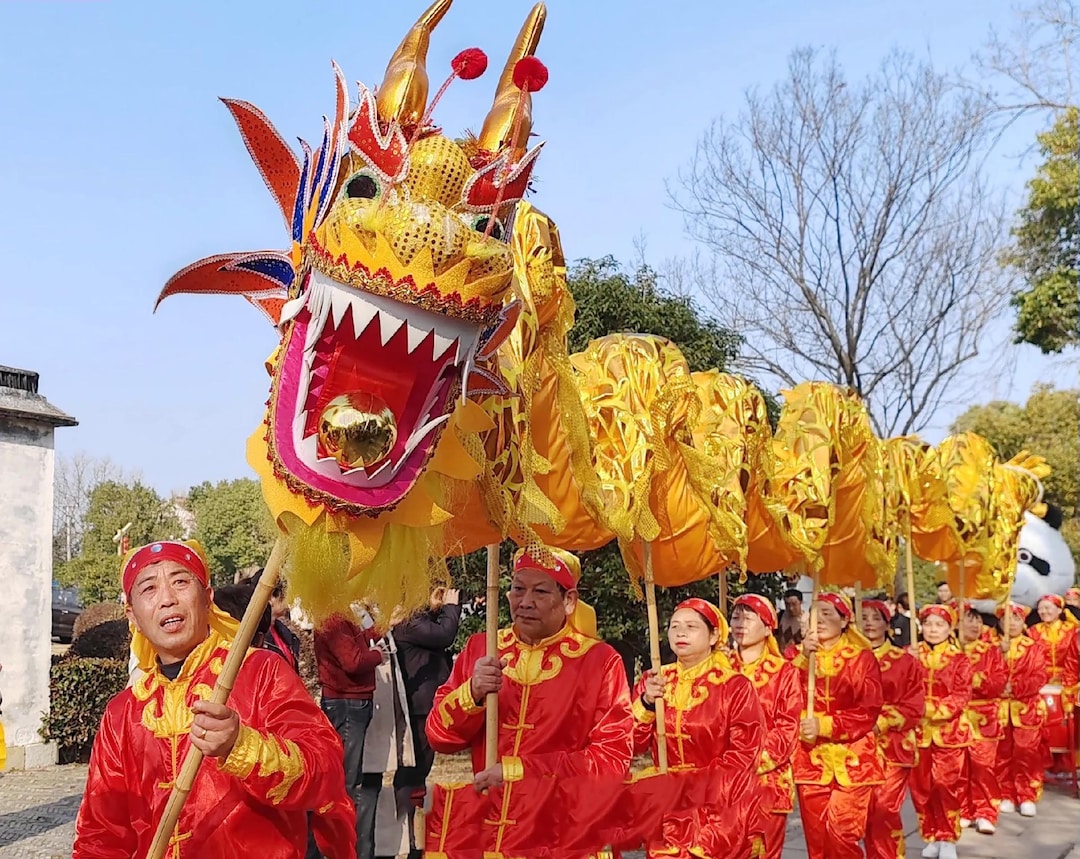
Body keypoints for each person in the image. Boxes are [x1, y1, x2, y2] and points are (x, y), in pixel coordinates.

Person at [73, 540, 355, 858]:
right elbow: (100, 833)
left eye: (180, 581)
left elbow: (324, 771)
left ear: (207, 597)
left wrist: (242, 745)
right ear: (132, 615)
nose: (167, 599)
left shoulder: (261, 672)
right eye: (149, 588)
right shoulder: (123, 713)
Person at [424, 547, 632, 856]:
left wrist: (519, 771)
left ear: (569, 600)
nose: (525, 602)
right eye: (518, 589)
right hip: (490, 829)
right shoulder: (484, 648)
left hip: (563, 830)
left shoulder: (599, 661)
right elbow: (439, 736)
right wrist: (472, 693)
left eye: (540, 592)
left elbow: (611, 760)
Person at [791, 592, 884, 859]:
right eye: (814, 613)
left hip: (854, 759)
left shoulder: (862, 659)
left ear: (844, 621)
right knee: (817, 838)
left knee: (843, 833)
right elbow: (782, 697)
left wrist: (824, 725)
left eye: (827, 613)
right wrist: (802, 659)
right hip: (810, 761)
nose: (819, 620)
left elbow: (869, 709)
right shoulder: (795, 656)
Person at [391, 586, 462, 859]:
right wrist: (451, 607)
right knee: (413, 770)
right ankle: (406, 833)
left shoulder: (414, 619)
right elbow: (444, 635)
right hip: (418, 706)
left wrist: (435, 608)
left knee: (419, 770)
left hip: (422, 704)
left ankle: (413, 832)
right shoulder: (407, 622)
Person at [730, 594, 801, 859]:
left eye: (749, 618)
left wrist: (748, 761)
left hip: (766, 782)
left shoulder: (784, 672)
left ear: (768, 627)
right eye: (736, 617)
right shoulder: (718, 668)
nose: (740, 623)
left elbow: (787, 727)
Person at [315, 607, 389, 859]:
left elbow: (358, 641)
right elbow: (352, 661)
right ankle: (340, 848)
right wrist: (378, 655)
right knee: (346, 781)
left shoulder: (341, 617)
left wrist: (380, 629)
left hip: (352, 702)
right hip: (347, 703)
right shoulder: (334, 619)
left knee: (350, 778)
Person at [860, 598, 924, 859]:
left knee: (884, 810)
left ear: (888, 624)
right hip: (853, 749)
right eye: (864, 618)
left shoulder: (904, 661)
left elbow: (915, 707)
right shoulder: (847, 659)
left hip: (893, 748)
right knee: (859, 813)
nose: (869, 623)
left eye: (876, 618)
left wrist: (882, 722)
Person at [908, 603, 971, 859]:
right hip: (917, 734)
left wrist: (932, 709)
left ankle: (948, 837)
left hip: (950, 733)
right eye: (928, 624)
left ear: (949, 628)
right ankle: (930, 833)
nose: (933, 630)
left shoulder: (959, 659)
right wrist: (907, 663)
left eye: (939, 625)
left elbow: (961, 695)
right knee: (921, 788)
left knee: (945, 786)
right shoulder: (910, 655)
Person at [957, 602, 1007, 835]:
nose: (975, 625)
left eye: (978, 620)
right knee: (958, 767)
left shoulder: (991, 651)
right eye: (969, 619)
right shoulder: (948, 651)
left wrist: (973, 679)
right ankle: (963, 810)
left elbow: (998, 683)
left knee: (983, 767)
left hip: (984, 717)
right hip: (954, 717)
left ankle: (985, 812)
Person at [996, 601, 1050, 817]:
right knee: (1001, 753)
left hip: (1026, 708)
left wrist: (1017, 687)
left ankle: (1027, 794)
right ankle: (1005, 793)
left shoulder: (1033, 647)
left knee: (1026, 753)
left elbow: (1040, 676)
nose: (1011, 624)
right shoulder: (991, 647)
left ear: (1023, 622)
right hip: (999, 710)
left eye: (1016, 619)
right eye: (1006, 619)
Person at [1029, 593, 1079, 776]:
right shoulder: (1033, 631)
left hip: (1067, 680)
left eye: (1048, 608)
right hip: (1041, 682)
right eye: (1041, 608)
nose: (1044, 612)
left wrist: (1070, 684)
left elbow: (1074, 659)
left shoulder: (1072, 630)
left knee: (1067, 724)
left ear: (1059, 610)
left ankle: (1067, 763)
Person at [777, 588, 805, 653]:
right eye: (787, 604)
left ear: (801, 602)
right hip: (780, 656)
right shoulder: (779, 616)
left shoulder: (808, 620)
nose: (791, 608)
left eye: (794, 604)